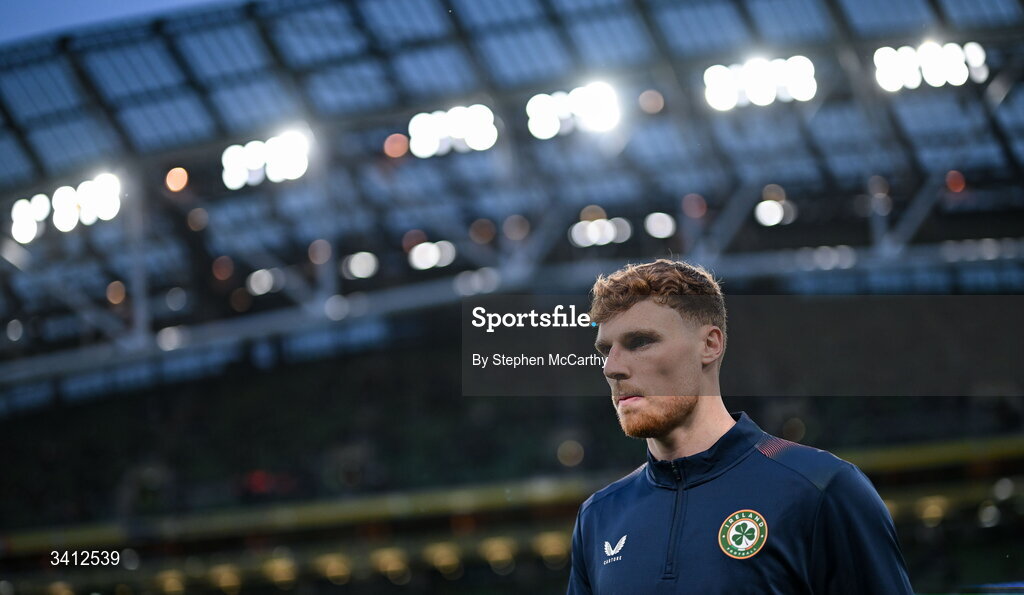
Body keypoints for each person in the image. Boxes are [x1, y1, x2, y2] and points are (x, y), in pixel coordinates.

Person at [567, 259, 913, 594]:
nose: (611, 368)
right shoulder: (599, 517)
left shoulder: (821, 488)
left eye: (640, 342)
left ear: (709, 345)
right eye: (605, 350)